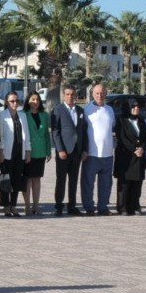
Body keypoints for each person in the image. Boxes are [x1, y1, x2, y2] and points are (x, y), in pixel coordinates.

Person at [79, 85, 116, 215]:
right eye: (97, 93)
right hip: (91, 153)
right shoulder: (87, 109)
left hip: (107, 154)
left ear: (106, 93)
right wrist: (83, 149)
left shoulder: (110, 110)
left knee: (106, 183)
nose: (99, 96)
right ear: (92, 94)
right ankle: (89, 207)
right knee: (88, 183)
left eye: (102, 93)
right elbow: (82, 131)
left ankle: (102, 207)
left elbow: (112, 127)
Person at [50, 87, 83, 215]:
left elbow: (82, 131)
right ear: (64, 96)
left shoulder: (80, 110)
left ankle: (72, 205)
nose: (70, 96)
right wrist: (60, 149)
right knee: (61, 179)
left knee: (74, 180)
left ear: (75, 96)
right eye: (67, 94)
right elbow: (55, 131)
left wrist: (83, 149)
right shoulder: (58, 110)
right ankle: (58, 205)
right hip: (64, 151)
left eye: (72, 94)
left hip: (76, 151)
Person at [114, 97, 146, 215]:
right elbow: (122, 137)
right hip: (126, 156)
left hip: (139, 156)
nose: (136, 108)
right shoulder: (121, 120)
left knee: (137, 182)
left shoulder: (141, 121)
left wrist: (142, 148)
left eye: (138, 106)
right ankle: (122, 207)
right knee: (125, 183)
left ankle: (134, 206)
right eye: (133, 106)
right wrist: (134, 149)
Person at [0, 91, 29, 216]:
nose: (15, 103)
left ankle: (13, 205)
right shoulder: (2, 115)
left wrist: (28, 150)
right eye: (12, 101)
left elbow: (26, 135)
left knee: (16, 180)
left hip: (19, 152)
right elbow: (1, 135)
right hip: (6, 152)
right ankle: (5, 205)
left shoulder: (23, 116)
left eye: (17, 101)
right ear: (6, 102)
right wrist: (0, 151)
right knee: (6, 180)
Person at [21, 91, 51, 215]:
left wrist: (48, 151)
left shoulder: (44, 115)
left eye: (37, 99)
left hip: (40, 151)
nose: (35, 102)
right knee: (27, 179)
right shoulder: (24, 114)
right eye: (33, 99)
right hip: (28, 151)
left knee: (37, 179)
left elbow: (46, 134)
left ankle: (36, 206)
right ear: (28, 101)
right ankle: (27, 206)